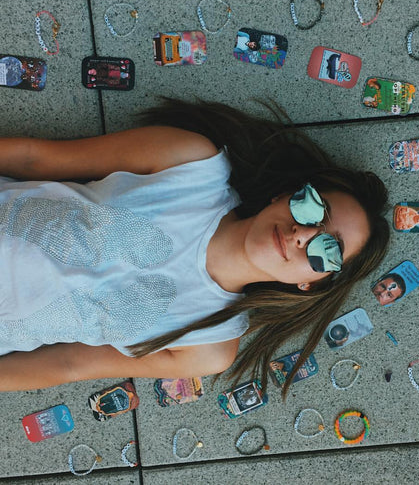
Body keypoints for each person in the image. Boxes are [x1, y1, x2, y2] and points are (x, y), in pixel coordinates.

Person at [0, 97, 389, 398]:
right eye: (312, 207)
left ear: (313, 284)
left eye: (327, 249)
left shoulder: (211, 348)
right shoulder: (191, 164)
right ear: (286, 194)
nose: (303, 235)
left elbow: (70, 364)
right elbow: (39, 159)